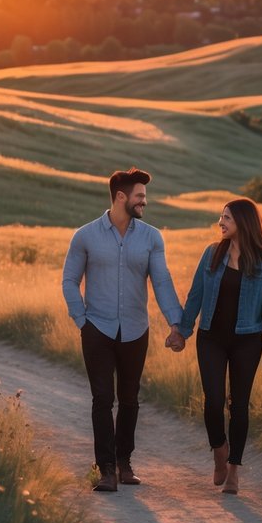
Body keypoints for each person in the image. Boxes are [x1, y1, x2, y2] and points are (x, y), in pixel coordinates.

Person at [62, 167, 184, 493]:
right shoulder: (85, 236)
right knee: (102, 398)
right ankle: (105, 470)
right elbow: (69, 281)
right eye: (140, 196)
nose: (145, 201)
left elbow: (161, 281)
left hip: (134, 329)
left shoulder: (151, 238)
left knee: (129, 399)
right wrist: (81, 320)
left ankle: (124, 461)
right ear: (121, 197)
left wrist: (177, 323)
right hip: (96, 328)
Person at [173, 198, 262, 495]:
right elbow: (195, 295)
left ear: (243, 223)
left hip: (247, 340)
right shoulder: (212, 254)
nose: (221, 223)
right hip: (211, 337)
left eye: (227, 219)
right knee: (213, 400)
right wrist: (182, 331)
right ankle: (219, 450)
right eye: (221, 217)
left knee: (239, 406)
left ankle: (234, 470)